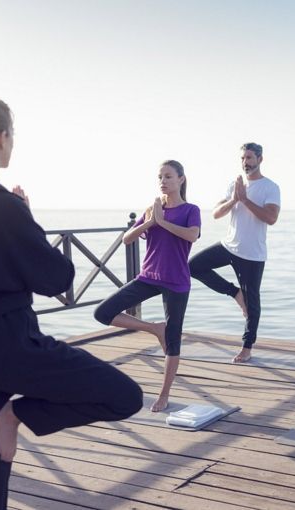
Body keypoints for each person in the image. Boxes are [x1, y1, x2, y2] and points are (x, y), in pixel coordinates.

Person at [0, 94, 143, 509]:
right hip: (7, 343)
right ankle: (14, 415)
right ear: (1, 138)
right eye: (13, 135)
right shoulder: (5, 206)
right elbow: (57, 278)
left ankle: (6, 421)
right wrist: (27, 217)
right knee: (123, 395)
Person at [94, 160, 200, 412]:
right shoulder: (152, 210)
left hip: (176, 281)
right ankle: (154, 328)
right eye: (160, 177)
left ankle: (164, 394)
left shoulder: (190, 210)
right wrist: (150, 222)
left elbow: (192, 235)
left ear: (181, 179)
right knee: (103, 312)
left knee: (173, 340)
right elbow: (127, 239)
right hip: (148, 276)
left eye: (168, 176)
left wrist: (162, 222)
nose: (163, 181)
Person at [188, 142, 280, 363]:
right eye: (242, 158)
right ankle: (235, 293)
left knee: (253, 302)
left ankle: (247, 347)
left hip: (252, 254)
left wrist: (245, 199)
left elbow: (271, 218)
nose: (245, 162)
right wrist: (235, 199)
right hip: (229, 246)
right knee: (192, 266)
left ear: (260, 159)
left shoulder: (270, 187)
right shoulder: (234, 185)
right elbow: (216, 213)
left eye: (249, 158)